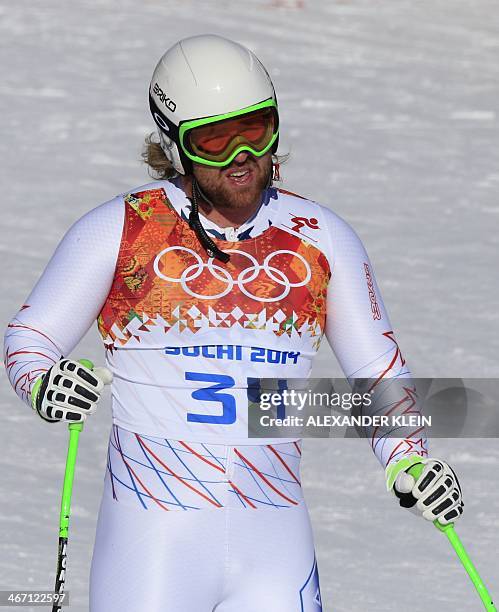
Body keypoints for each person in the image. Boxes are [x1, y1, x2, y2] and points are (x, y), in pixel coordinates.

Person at [3, 34, 463, 611]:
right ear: (175, 145)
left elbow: (377, 372)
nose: (239, 155)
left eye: (256, 130)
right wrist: (46, 383)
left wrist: (409, 458)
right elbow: (31, 338)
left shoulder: (320, 237)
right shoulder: (120, 229)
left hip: (273, 544)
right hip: (153, 543)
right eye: (214, 140)